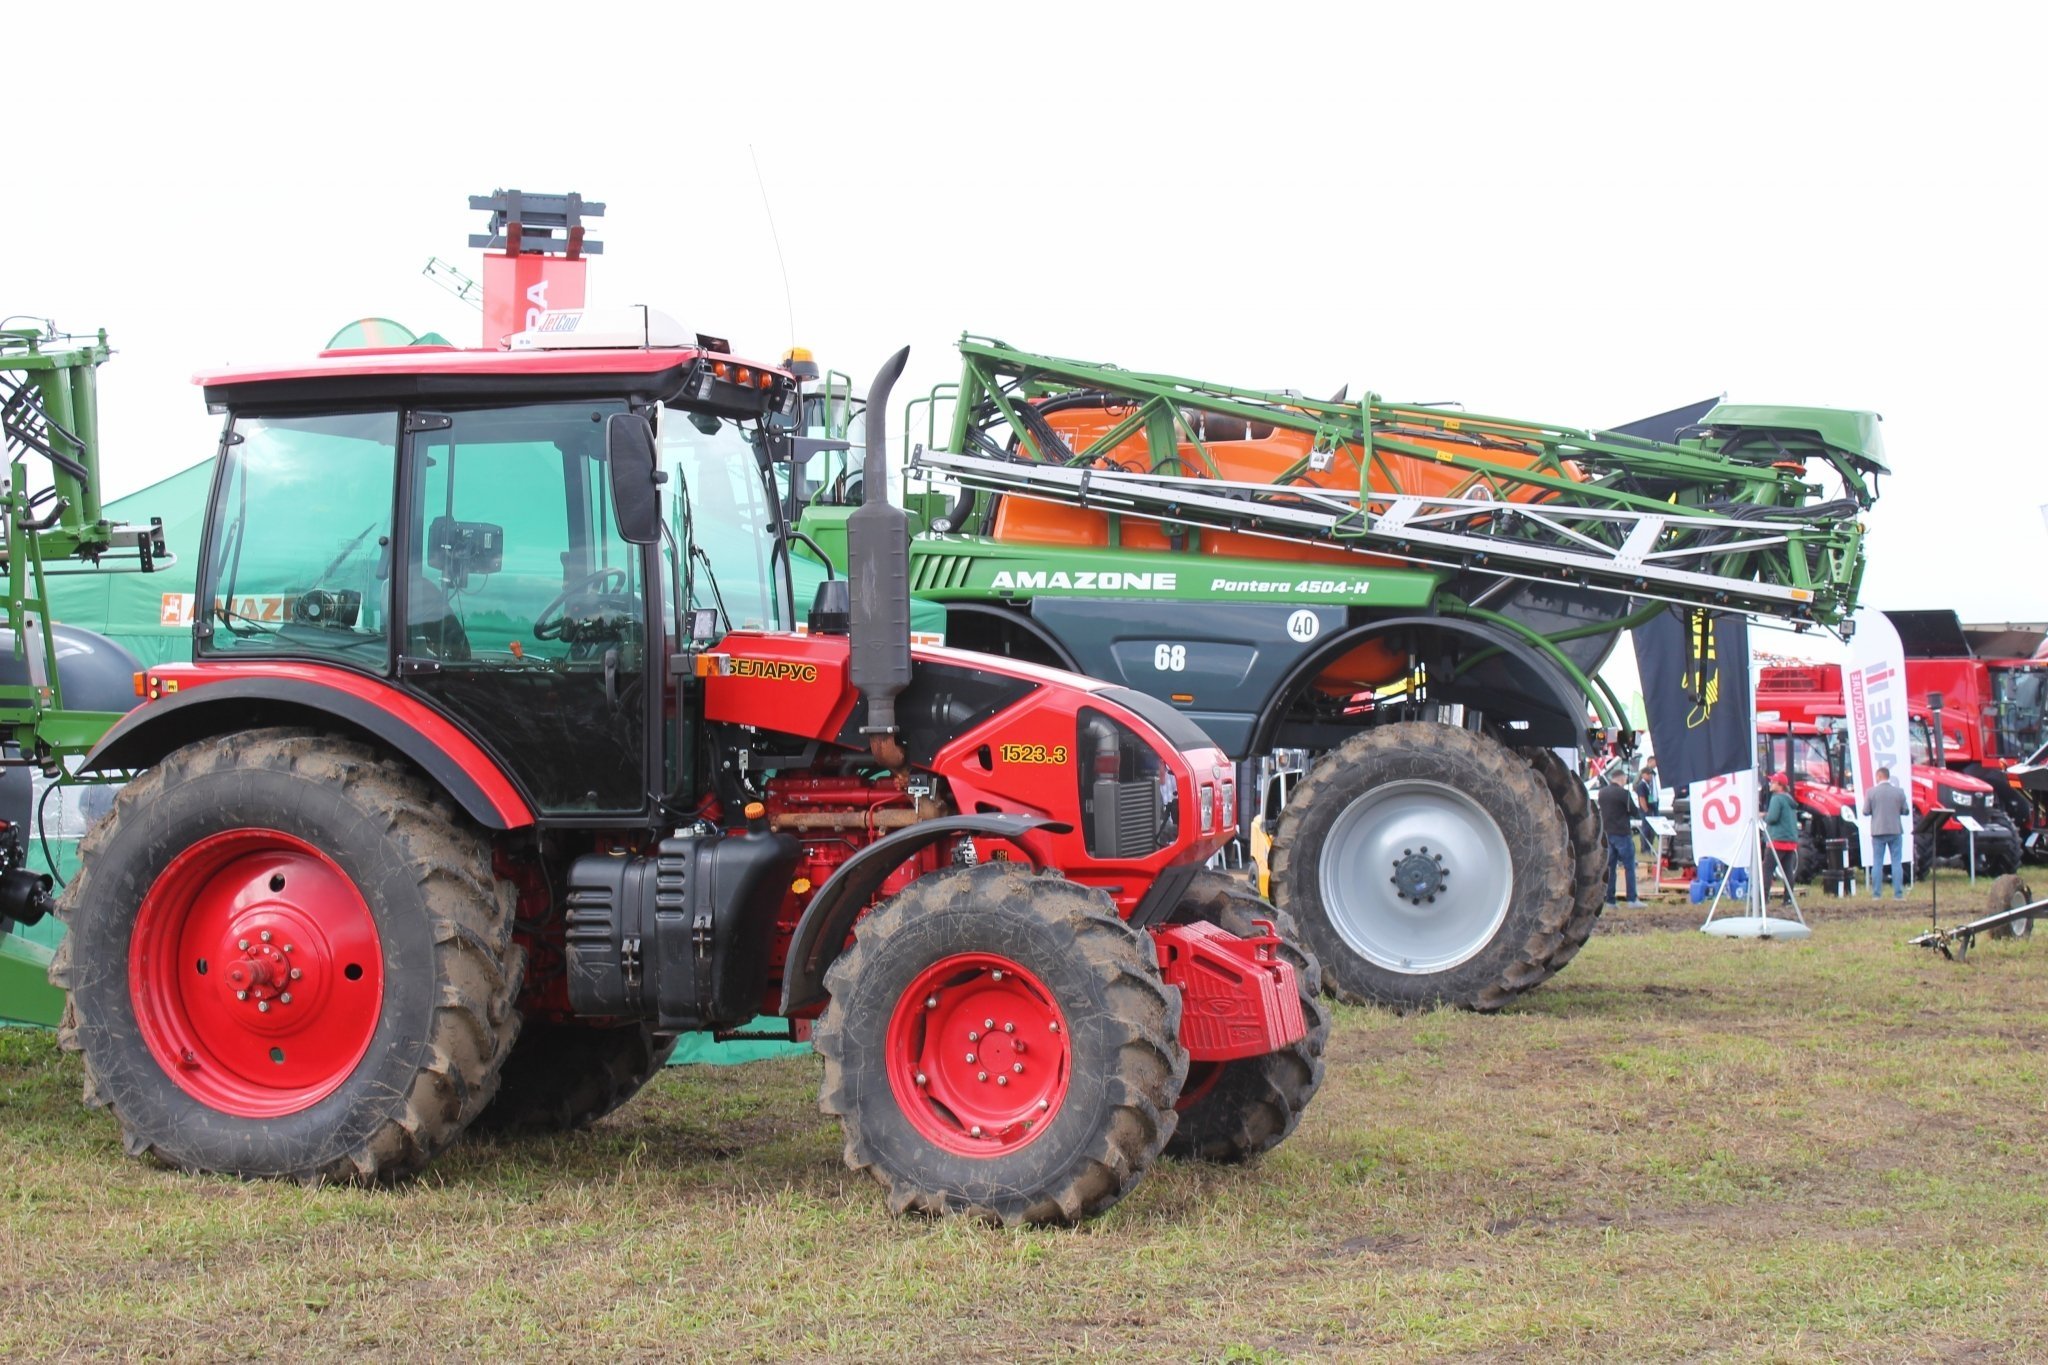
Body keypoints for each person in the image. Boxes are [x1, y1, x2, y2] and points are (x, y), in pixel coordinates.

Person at [1597, 769, 1645, 908]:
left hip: (1607, 833)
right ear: (1621, 778)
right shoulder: (1623, 794)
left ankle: (1610, 900)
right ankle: (1631, 899)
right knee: (1629, 867)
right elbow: (1635, 812)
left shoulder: (1602, 793)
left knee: (1610, 868)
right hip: (1622, 834)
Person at [1863, 764, 1911, 900]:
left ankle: (1877, 895)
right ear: (1888, 777)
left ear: (1879, 776)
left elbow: (1865, 811)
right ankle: (1898, 894)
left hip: (1878, 831)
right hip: (1895, 830)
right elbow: (1905, 811)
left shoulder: (1871, 792)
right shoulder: (1899, 792)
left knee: (1877, 862)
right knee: (1896, 862)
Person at [1761, 773, 1801, 906]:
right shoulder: (1789, 799)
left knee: (1767, 869)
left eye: (1773, 782)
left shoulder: (1776, 799)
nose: (1770, 784)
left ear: (1780, 785)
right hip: (1790, 841)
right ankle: (1788, 899)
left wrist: (1764, 816)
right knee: (1788, 870)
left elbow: (1772, 818)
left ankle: (1764, 899)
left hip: (1777, 840)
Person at [1634, 757, 1661, 858]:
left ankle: (1650, 846)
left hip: (1653, 804)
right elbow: (1640, 796)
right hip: (1647, 807)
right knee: (1646, 828)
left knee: (1653, 828)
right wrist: (1646, 810)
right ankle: (1645, 848)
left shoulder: (1652, 778)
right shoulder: (1642, 783)